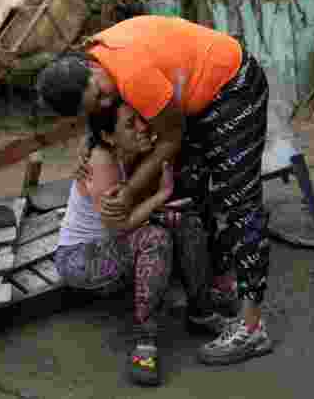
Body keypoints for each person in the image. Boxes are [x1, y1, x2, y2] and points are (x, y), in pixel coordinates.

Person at [37, 15, 273, 366]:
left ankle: (252, 327)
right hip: (200, 95)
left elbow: (171, 138)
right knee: (190, 189)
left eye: (102, 94)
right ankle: (216, 287)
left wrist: (130, 191)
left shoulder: (131, 75)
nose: (107, 103)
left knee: (239, 199)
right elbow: (109, 118)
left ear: (90, 65)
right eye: (95, 108)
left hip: (232, 86)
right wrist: (92, 144)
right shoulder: (97, 64)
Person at [54, 98, 217, 386]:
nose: (142, 127)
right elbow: (119, 226)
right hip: (80, 259)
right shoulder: (101, 161)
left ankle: (202, 313)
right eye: (130, 125)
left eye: (140, 118)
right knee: (155, 237)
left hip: (114, 243)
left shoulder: (131, 150)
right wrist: (161, 195)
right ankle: (145, 344)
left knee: (185, 221)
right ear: (108, 136)